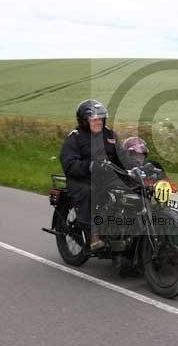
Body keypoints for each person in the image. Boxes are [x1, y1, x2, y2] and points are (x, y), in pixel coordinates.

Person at [59, 99, 126, 251]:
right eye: (94, 119)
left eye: (101, 118)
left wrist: (138, 166)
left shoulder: (110, 135)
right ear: (84, 121)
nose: (99, 122)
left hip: (107, 178)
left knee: (131, 191)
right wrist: (89, 166)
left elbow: (122, 157)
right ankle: (94, 237)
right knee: (91, 193)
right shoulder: (75, 137)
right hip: (82, 180)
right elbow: (69, 163)